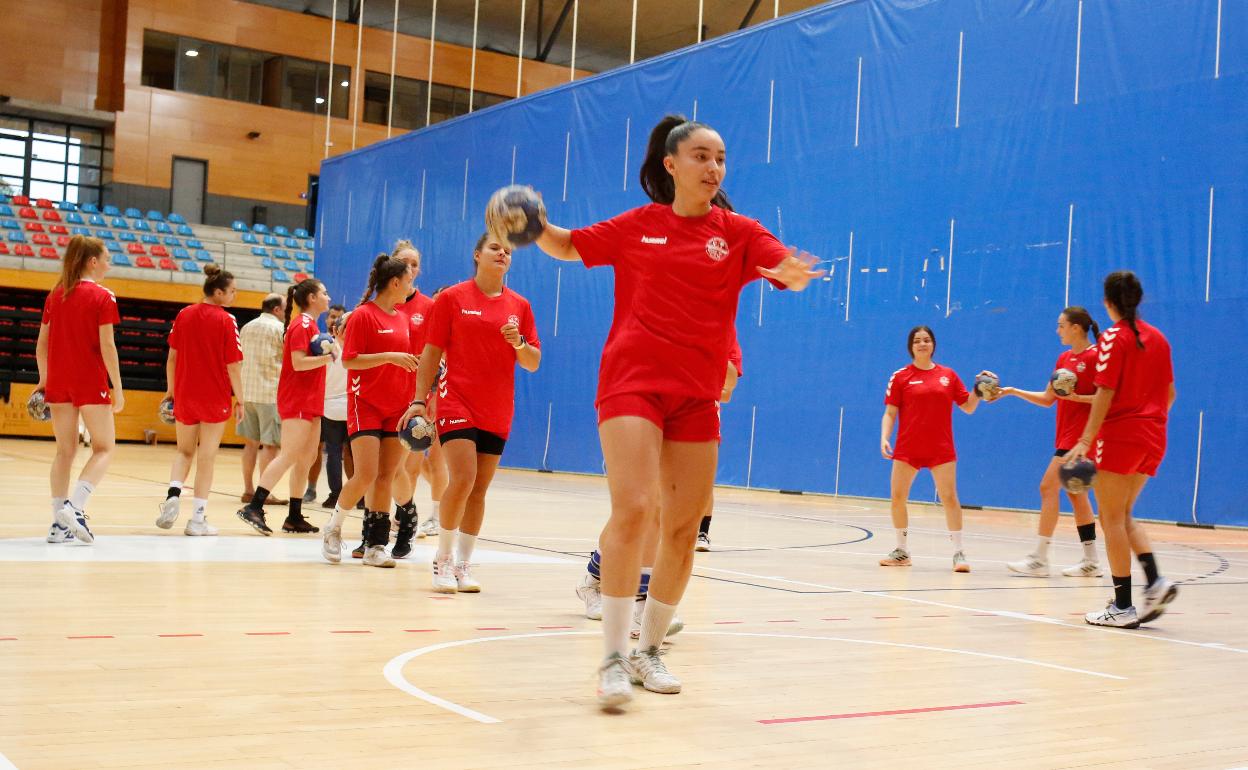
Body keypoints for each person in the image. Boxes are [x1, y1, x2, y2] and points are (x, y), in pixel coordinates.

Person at [532, 115, 822, 708]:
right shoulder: (637, 226)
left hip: (695, 395)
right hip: (632, 383)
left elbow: (776, 262)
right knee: (636, 509)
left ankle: (648, 649)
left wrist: (789, 274)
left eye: (720, 158)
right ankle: (613, 657)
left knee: (684, 528)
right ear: (671, 165)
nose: (713, 167)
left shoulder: (739, 232)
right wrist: (533, 224)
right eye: (701, 156)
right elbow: (567, 244)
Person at [402, 234, 541, 591]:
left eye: (508, 250)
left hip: (497, 407)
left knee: (478, 489)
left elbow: (533, 362)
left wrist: (519, 342)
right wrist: (419, 399)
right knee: (463, 478)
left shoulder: (520, 306)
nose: (502, 253)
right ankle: (443, 559)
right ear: (477, 254)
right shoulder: (452, 298)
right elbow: (431, 353)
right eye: (495, 248)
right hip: (456, 400)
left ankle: (463, 564)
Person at [1066, 271, 1178, 628]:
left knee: (1110, 518)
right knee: (1124, 513)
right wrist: (1149, 421)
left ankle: (1122, 606)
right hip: (1154, 435)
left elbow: (1105, 392)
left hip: (1120, 436)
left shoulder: (1114, 338)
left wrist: (1086, 439)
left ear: (1107, 302)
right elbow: (1170, 393)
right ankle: (1156, 582)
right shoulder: (1159, 338)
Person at [319, 255, 419, 568]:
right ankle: (333, 528)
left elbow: (406, 361)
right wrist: (389, 356)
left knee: (386, 476)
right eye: (409, 280)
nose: (412, 285)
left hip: (397, 405)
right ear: (395, 282)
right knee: (365, 474)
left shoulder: (402, 318)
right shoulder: (363, 315)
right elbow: (350, 360)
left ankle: (376, 545)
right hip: (366, 403)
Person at [992, 307, 1103, 577]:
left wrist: (1077, 398)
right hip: (1065, 435)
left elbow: (1107, 398)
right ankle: (1091, 561)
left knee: (1047, 486)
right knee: (1076, 495)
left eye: (1061, 325)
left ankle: (1040, 558)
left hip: (1082, 438)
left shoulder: (1096, 356)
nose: (1057, 330)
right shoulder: (1064, 358)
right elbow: (1047, 399)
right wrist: (1012, 391)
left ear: (1076, 328)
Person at [35, 235, 123, 545]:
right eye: (107, 259)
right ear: (92, 261)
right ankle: (75, 507)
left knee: (65, 451)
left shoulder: (56, 294)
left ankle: (58, 525)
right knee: (105, 448)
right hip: (89, 381)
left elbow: (41, 345)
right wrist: (118, 388)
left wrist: (44, 381)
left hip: (58, 381)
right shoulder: (103, 296)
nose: (109, 265)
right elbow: (108, 346)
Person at [879, 326, 988, 572]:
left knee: (949, 497)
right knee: (897, 497)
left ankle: (959, 553)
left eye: (926, 340)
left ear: (933, 345)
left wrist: (979, 389)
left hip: (941, 448)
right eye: (917, 340)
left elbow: (968, 406)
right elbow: (890, 412)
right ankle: (901, 551)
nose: (922, 344)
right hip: (908, 447)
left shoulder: (948, 375)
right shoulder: (900, 377)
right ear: (911, 347)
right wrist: (884, 437)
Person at [235, 279, 334, 535]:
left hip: (312, 400)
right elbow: (298, 363)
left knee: (307, 458)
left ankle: (294, 516)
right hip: (298, 399)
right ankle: (254, 507)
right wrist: (329, 357)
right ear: (312, 298)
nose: (328, 297)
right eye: (324, 293)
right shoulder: (301, 325)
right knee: (289, 454)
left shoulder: (312, 325)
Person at [156, 265, 245, 535]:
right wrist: (241, 400)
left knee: (183, 452)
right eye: (231, 291)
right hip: (214, 397)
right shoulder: (227, 320)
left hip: (185, 394)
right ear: (218, 292)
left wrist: (171, 391)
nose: (234, 295)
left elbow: (172, 358)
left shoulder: (184, 314)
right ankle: (197, 520)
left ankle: (173, 494)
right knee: (206, 458)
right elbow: (233, 366)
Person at [238, 293, 287, 507]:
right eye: (285, 308)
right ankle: (264, 493)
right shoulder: (279, 329)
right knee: (270, 446)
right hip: (269, 393)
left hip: (247, 392)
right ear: (277, 309)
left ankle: (248, 490)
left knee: (250, 444)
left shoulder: (246, 327)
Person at [304, 303, 347, 504]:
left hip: (334, 406)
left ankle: (340, 495)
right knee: (323, 450)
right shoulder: (321, 344)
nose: (333, 320)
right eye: (331, 316)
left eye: (337, 317)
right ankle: (312, 489)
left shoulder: (333, 347)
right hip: (332, 405)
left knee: (338, 452)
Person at [320, 310, 350, 511]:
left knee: (333, 452)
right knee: (353, 454)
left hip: (330, 406)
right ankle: (361, 497)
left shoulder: (326, 349)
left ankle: (335, 495)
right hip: (351, 407)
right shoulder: (359, 351)